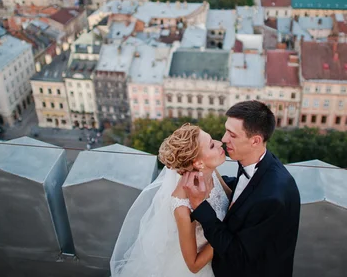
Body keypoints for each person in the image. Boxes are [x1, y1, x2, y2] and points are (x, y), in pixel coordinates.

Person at [183, 100, 300, 277]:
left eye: (232, 134)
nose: (223, 139)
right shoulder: (258, 162)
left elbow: (236, 255)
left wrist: (199, 205)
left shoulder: (271, 198)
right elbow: (245, 191)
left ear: (255, 141)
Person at [111, 124, 230, 277]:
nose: (220, 143)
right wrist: (227, 231)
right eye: (212, 145)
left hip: (225, 255)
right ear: (199, 163)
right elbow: (193, 265)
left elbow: (231, 198)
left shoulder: (210, 171)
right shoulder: (182, 205)